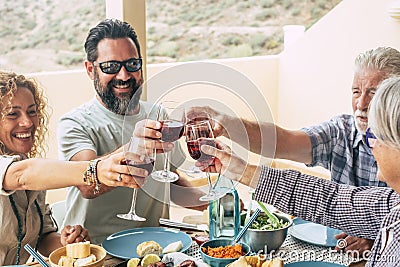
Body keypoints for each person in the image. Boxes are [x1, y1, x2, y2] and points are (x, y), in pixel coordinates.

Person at [187, 46, 400, 253]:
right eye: (356, 91)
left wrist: (383, 237)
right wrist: (231, 136)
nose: (361, 104)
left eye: (374, 93)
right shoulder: (342, 132)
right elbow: (327, 199)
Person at [57, 18, 205, 244]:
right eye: (111, 67)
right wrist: (135, 148)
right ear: (90, 69)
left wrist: (214, 202)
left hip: (153, 251)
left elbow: (171, 185)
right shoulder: (75, 123)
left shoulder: (158, 115)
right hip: (97, 254)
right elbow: (88, 184)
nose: (124, 76)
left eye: (132, 64)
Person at [0, 71, 143, 265]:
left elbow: (42, 237)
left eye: (32, 111)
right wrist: (96, 170)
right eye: (12, 114)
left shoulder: (36, 175)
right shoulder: (26, 172)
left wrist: (66, 242)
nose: (27, 122)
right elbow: (21, 174)